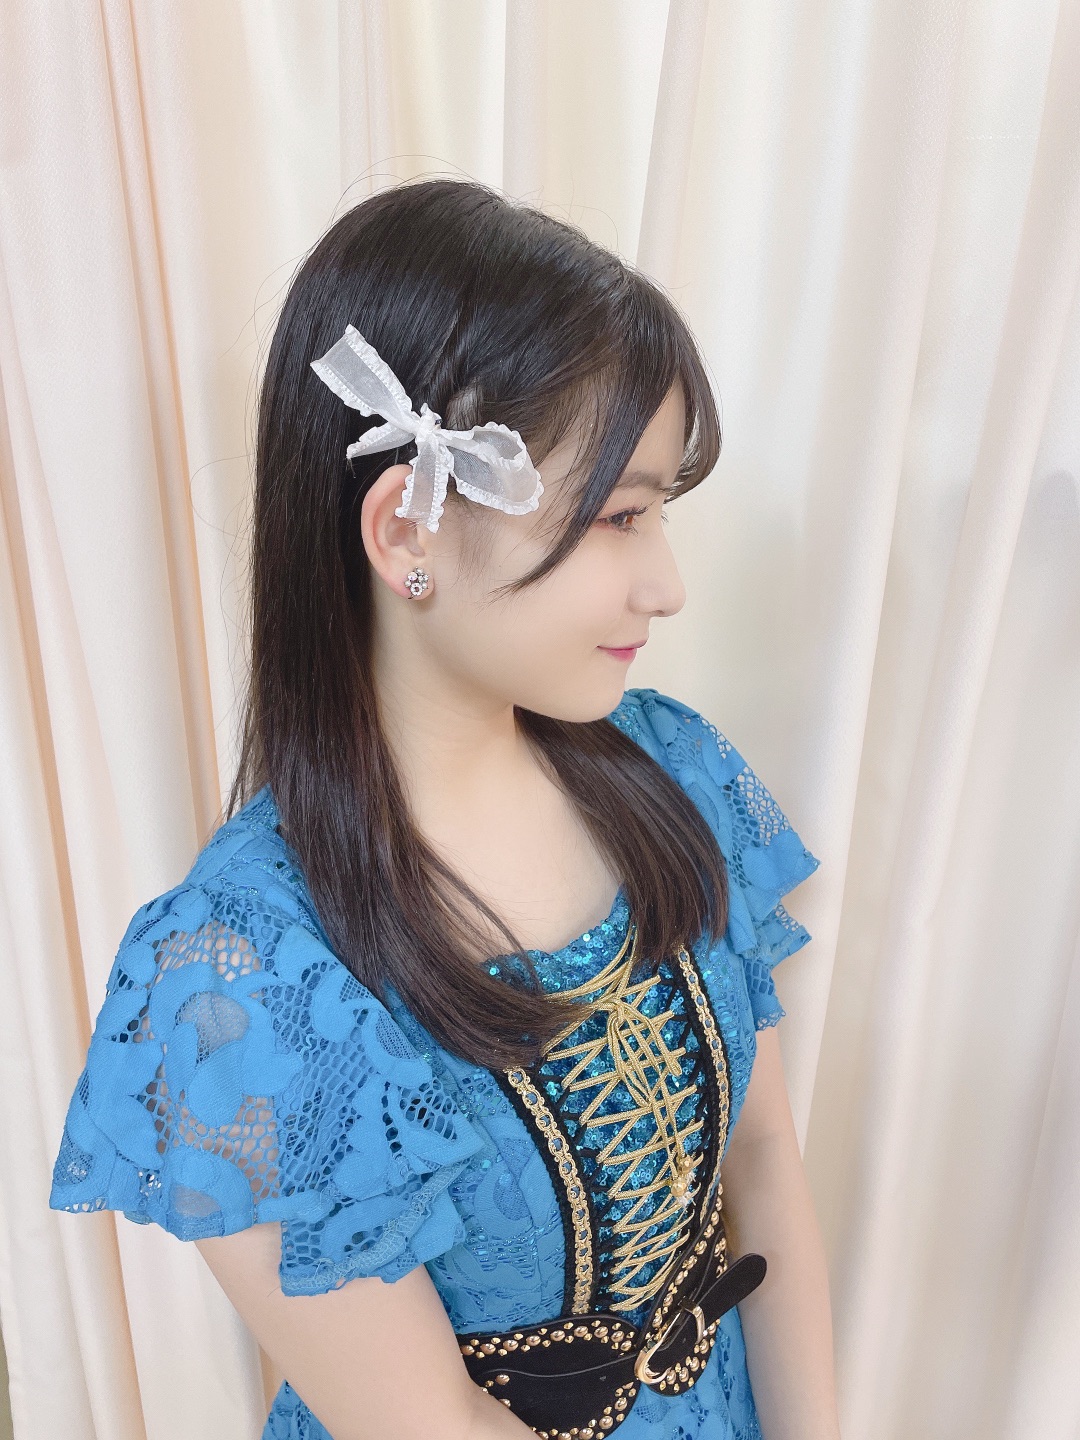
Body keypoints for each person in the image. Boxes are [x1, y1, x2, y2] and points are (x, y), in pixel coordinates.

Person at [49, 177, 841, 1440]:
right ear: (406, 528)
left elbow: (766, 1177)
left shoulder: (674, 772)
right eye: (620, 517)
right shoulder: (245, 979)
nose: (666, 583)